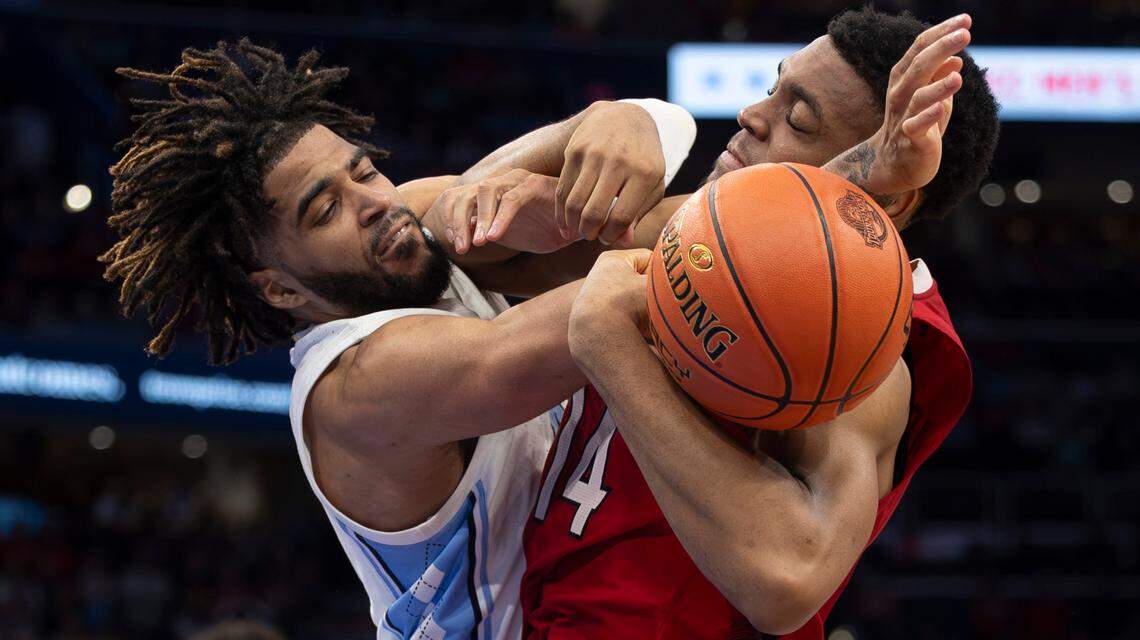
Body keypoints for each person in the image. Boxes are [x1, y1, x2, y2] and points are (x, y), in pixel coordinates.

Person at [102, 39, 698, 639]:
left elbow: (665, 135)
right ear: (280, 290)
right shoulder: (360, 384)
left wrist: (620, 119)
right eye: (324, 210)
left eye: (362, 170)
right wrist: (575, 201)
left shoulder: (397, 230)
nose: (373, 203)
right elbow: (620, 302)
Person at [504, 8, 1000, 639]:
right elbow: (478, 244)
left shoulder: (853, 340)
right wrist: (613, 118)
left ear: (889, 194)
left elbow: (787, 580)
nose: (751, 116)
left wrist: (611, 346)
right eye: (772, 88)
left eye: (797, 117)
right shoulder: (715, 239)